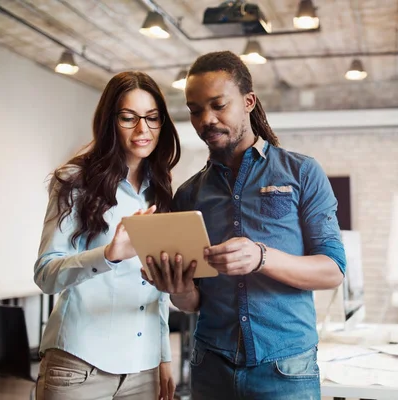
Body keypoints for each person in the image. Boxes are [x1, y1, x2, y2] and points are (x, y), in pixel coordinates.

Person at [142, 50, 347, 400]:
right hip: (211, 365)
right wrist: (176, 287)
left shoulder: (302, 173)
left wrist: (261, 256)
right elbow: (192, 302)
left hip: (286, 368)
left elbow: (332, 271)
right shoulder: (189, 194)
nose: (206, 119)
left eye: (218, 105)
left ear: (248, 101)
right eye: (195, 110)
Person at [34, 71, 181, 400]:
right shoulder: (75, 180)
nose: (143, 129)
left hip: (143, 371)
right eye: (129, 118)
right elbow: (45, 274)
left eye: (152, 118)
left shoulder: (160, 190)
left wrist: (163, 358)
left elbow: (152, 289)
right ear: (109, 122)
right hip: (79, 365)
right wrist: (108, 255)